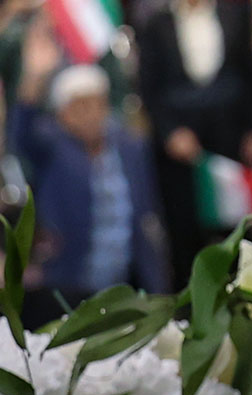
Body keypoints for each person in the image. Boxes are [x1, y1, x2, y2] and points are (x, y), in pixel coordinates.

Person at [11, 39, 169, 319]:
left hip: (127, 282)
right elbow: (20, 134)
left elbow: (148, 209)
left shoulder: (129, 145)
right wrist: (34, 77)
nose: (90, 115)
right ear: (62, 114)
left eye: (96, 105)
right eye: (79, 107)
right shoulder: (52, 146)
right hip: (70, 284)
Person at [136, 0, 252, 280]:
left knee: (239, 224)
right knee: (184, 226)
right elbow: (149, 89)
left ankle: (248, 296)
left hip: (230, 133)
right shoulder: (154, 25)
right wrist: (169, 132)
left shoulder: (234, 12)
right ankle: (189, 308)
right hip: (182, 140)